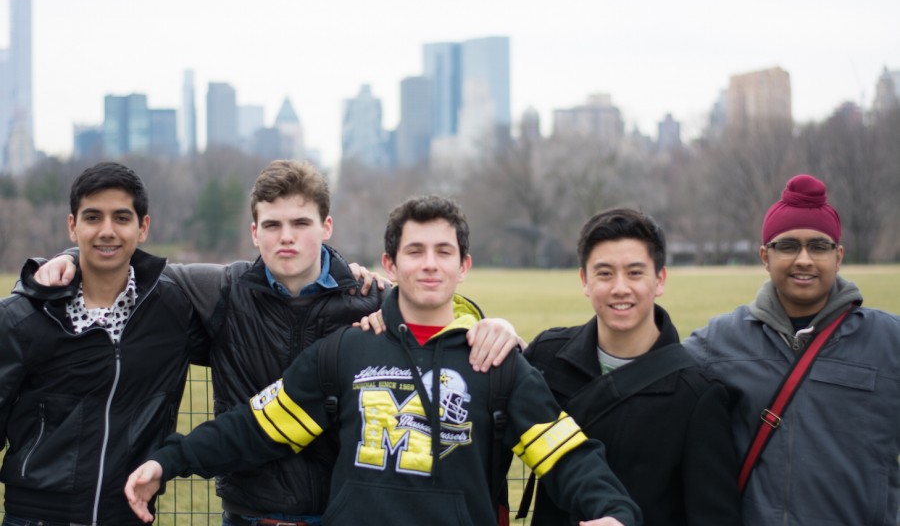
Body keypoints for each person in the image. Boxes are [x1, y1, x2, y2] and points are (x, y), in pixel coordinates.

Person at [34, 159, 521, 526]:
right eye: (272, 225)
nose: (286, 237)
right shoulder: (220, 290)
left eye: (300, 224)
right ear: (255, 232)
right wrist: (63, 259)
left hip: (339, 511)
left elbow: (435, 307)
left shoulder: (367, 299)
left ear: (326, 227)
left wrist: (486, 321)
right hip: (249, 511)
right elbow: (124, 258)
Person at [124, 194, 642, 526]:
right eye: (415, 251)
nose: (430, 264)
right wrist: (168, 461)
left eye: (443, 252)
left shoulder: (494, 359)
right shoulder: (348, 350)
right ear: (391, 264)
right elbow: (257, 427)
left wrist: (614, 511)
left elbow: (563, 451)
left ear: (464, 266)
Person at [683, 174, 900, 525]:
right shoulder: (719, 342)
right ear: (765, 257)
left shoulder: (889, 341)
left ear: (838, 256)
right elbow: (651, 383)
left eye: (818, 246)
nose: (803, 259)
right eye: (788, 246)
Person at [0, 162, 209, 525]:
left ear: (143, 227)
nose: (107, 231)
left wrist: (340, 280)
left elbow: (252, 291)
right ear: (73, 225)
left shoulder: (174, 311)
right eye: (93, 217)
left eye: (122, 218)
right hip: (35, 517)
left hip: (128, 514)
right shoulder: (22, 318)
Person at [523, 208, 741, 525]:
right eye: (605, 273)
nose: (620, 288)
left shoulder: (698, 396)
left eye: (635, 273)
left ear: (660, 279)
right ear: (584, 280)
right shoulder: (546, 358)